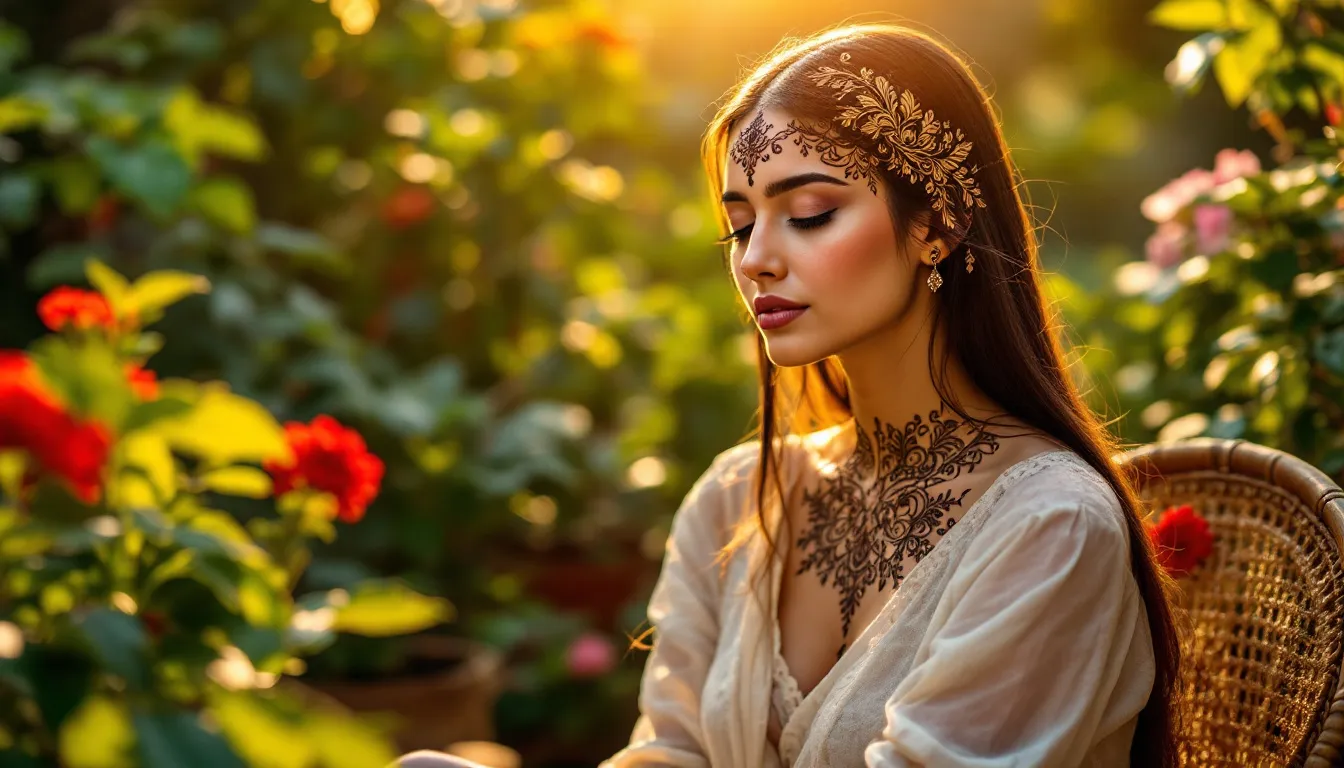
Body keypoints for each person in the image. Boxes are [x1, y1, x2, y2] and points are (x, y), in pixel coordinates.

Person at [598, 22, 1182, 768]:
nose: (757, 261)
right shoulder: (737, 501)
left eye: (809, 214)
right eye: (738, 228)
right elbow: (670, 751)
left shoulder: (1050, 526)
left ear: (938, 224)